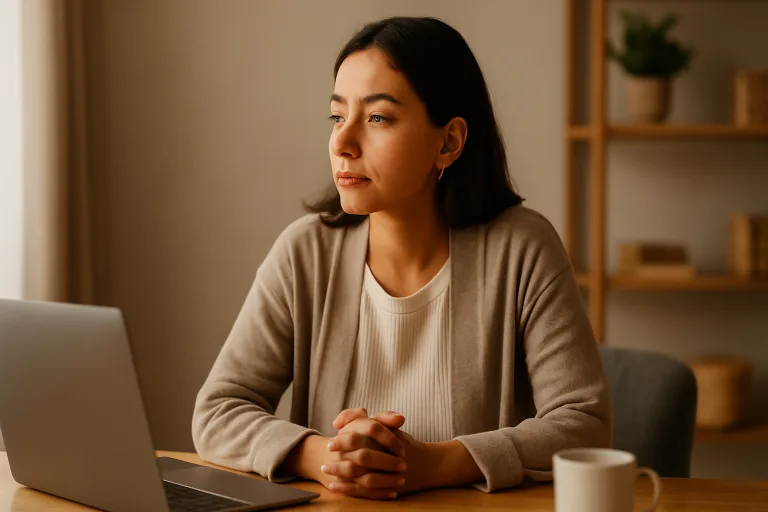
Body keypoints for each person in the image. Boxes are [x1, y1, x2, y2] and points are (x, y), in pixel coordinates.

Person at [192, 16, 612, 500]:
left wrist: (434, 463)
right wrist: (326, 456)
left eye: (377, 118)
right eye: (337, 116)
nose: (342, 143)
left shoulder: (522, 249)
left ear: (448, 142)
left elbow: (584, 423)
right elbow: (218, 410)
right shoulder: (304, 252)